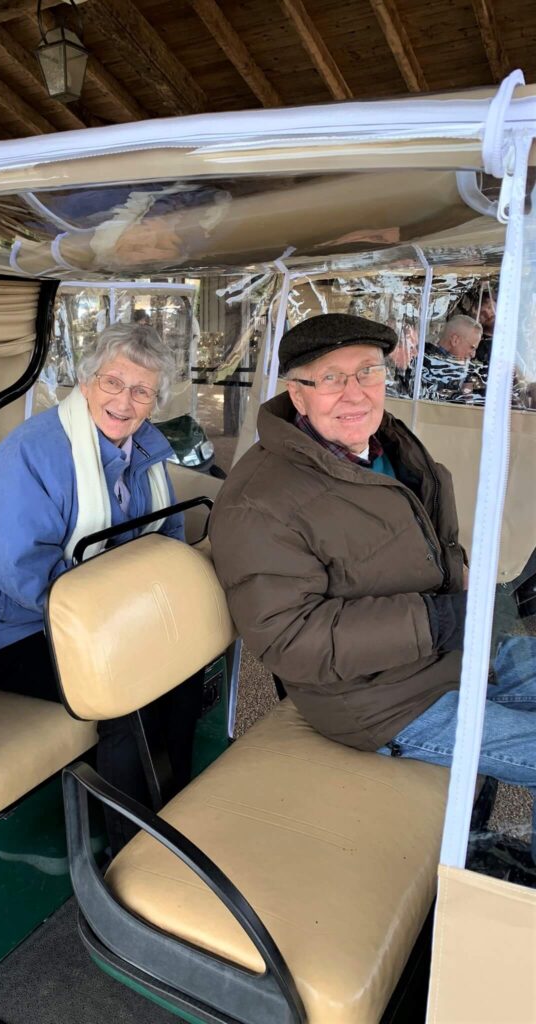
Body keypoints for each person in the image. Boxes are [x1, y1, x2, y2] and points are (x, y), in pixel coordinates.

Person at [209, 313, 536, 871]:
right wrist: (440, 620)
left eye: (368, 372)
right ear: (298, 394)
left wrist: (496, 596)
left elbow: (437, 546)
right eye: (332, 379)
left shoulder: (387, 445)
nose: (355, 394)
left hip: (450, 650)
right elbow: (290, 640)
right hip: (381, 702)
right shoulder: (259, 502)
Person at [0, 322, 202, 854]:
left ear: (154, 402)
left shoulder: (145, 453)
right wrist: (114, 629)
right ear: (86, 382)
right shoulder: (31, 454)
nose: (124, 400)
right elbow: (24, 575)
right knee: (124, 690)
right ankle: (130, 854)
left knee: (184, 665)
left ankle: (179, 809)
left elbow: (168, 544)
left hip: (104, 618)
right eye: (113, 382)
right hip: (10, 630)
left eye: (141, 390)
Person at [421, 314, 485, 404]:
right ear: (455, 340)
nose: (473, 354)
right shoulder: (427, 362)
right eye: (471, 347)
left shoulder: (460, 369)